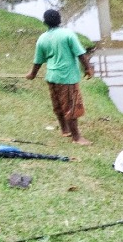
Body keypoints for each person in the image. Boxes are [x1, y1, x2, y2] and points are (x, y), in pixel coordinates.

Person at [26, 9, 94, 145]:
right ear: (60, 20)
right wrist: (87, 68)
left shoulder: (42, 38)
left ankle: (65, 130)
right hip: (66, 77)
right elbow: (81, 54)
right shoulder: (68, 35)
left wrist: (32, 74)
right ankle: (77, 138)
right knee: (71, 106)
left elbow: (38, 60)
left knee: (58, 105)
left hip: (51, 77)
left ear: (45, 22)